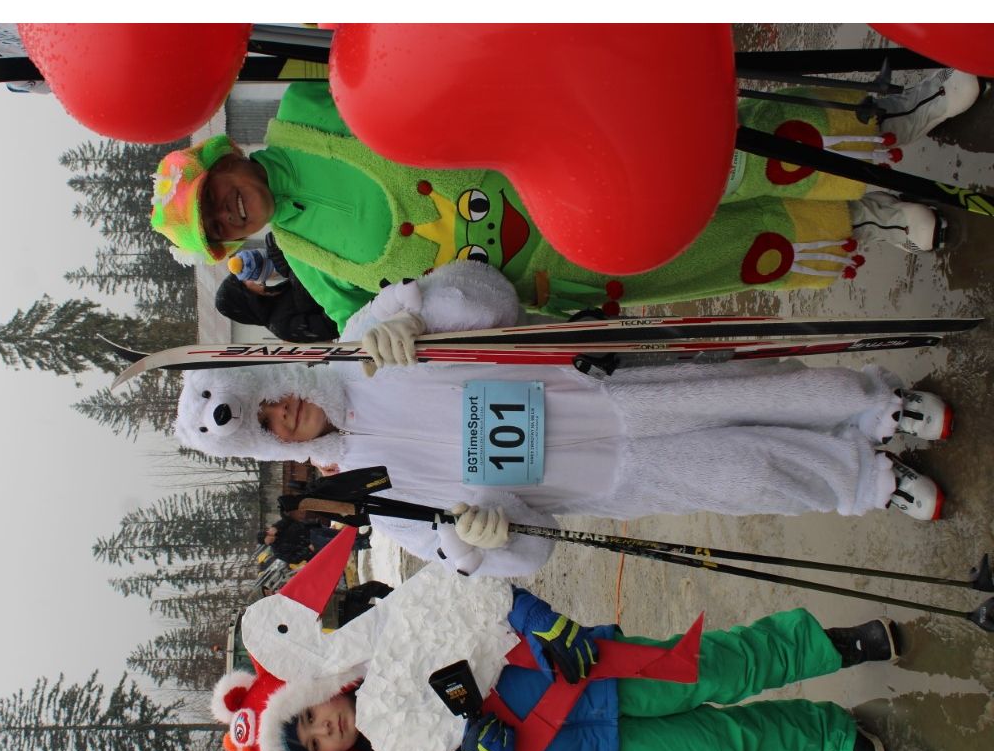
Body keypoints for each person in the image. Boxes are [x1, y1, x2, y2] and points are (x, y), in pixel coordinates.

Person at [175, 261, 952, 578]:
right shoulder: (374, 498)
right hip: (606, 477)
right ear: (273, 447)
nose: (284, 411)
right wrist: (483, 537)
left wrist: (422, 308)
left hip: (600, 390)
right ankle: (866, 479)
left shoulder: (366, 343)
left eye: (271, 395)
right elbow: (527, 550)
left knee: (750, 392)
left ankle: (874, 404)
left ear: (276, 373)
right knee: (750, 474)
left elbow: (493, 298)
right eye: (269, 424)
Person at [151, 71, 983, 331]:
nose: (231, 214)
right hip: (559, 265)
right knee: (699, 248)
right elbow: (363, 325)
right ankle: (863, 217)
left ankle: (885, 125)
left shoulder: (302, 112)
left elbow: (401, 75)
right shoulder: (304, 261)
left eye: (219, 197)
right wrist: (385, 336)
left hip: (554, 163)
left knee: (713, 152)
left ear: (229, 164)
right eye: (218, 225)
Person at [212, 562, 901, 751]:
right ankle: (831, 737)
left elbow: (476, 596)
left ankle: (831, 647)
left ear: (317, 690)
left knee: (716, 667)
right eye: (313, 744)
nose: (323, 729)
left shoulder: (393, 642)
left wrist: (543, 622)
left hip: (577, 673)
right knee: (724, 749)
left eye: (309, 716)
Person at [213, 234, 339, 343]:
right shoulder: (281, 326)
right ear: (245, 299)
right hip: (347, 301)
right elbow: (333, 325)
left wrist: (286, 257)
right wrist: (293, 273)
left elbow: (304, 278)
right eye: (244, 283)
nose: (250, 280)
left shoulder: (275, 294)